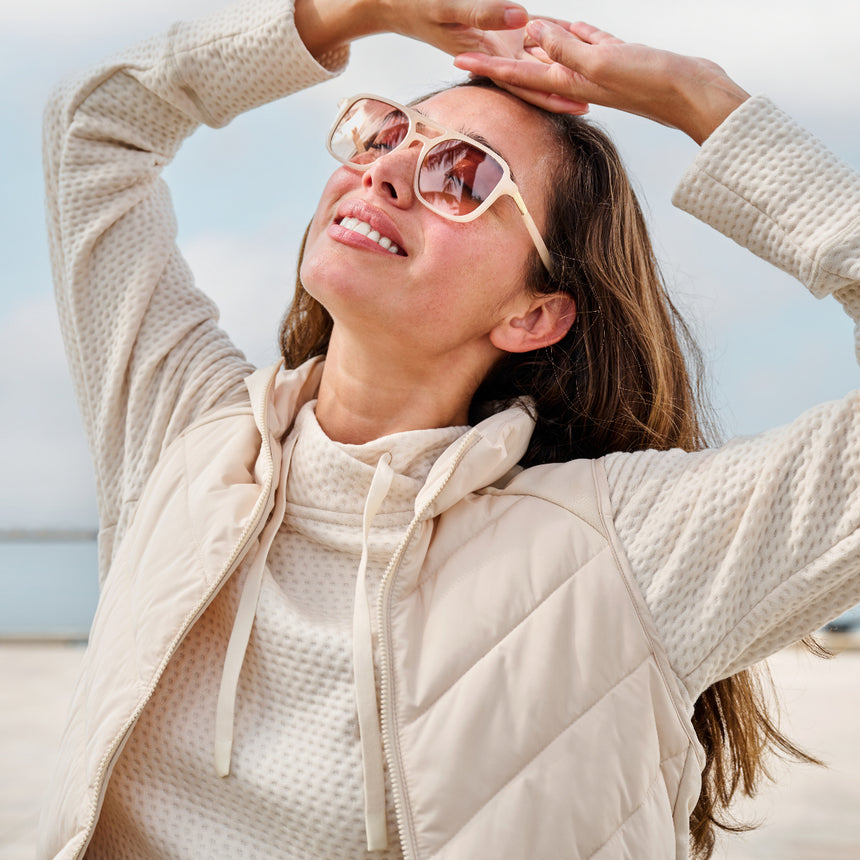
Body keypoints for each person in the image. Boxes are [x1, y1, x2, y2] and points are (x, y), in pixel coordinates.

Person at [39, 0, 860, 857]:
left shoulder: (621, 547)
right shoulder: (188, 433)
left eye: (462, 177)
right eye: (386, 135)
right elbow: (94, 126)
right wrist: (349, 13)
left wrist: (703, 101)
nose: (385, 174)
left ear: (534, 315)